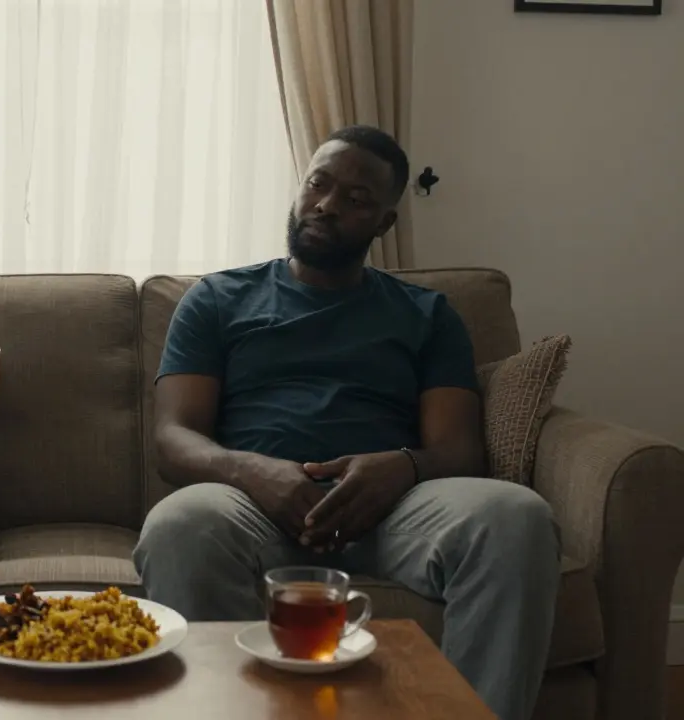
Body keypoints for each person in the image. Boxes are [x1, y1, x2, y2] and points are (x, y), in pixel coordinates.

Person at [134, 125, 559, 720]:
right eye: (319, 184)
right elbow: (173, 440)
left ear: (384, 223)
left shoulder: (427, 314)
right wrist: (254, 472)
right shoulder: (217, 299)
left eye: (356, 199)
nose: (327, 205)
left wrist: (404, 468)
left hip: (394, 513)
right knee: (181, 523)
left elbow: (458, 448)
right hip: (258, 511)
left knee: (517, 516)